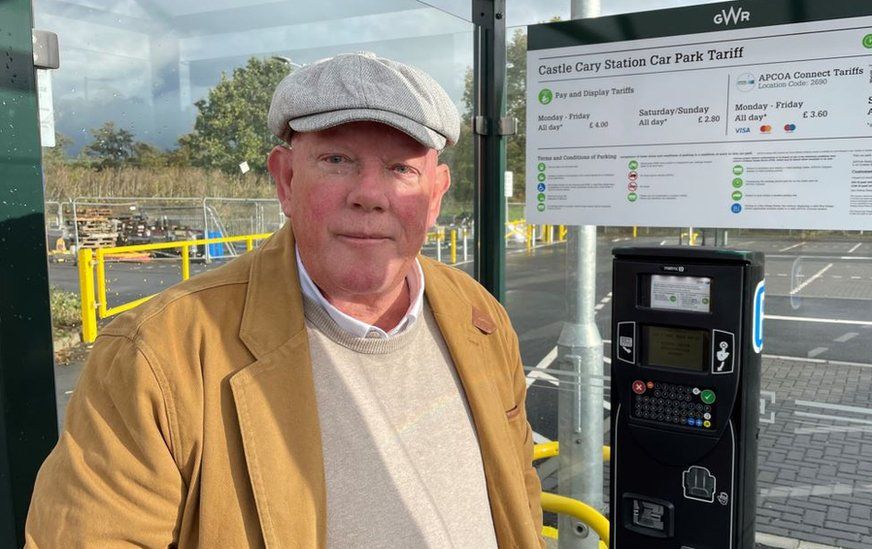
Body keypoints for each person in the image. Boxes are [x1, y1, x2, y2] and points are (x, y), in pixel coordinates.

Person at [25, 52, 544, 548]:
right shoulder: (157, 355)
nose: (369, 193)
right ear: (286, 180)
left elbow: (518, 491)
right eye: (337, 159)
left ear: (435, 196)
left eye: (401, 168)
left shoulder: (477, 316)